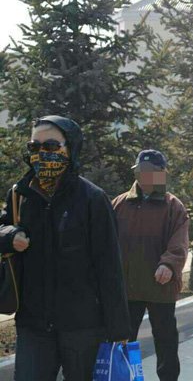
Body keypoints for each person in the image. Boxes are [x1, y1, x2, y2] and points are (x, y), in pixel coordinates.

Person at [0, 116, 130, 380]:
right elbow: (1, 228)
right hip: (33, 324)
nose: (41, 153)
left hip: (82, 327)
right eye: (34, 147)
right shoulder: (20, 195)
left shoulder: (92, 198)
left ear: (70, 148)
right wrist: (10, 235)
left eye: (50, 146)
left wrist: (118, 329)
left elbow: (109, 266)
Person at [112, 150, 190, 381]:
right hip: (127, 287)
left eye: (150, 171)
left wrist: (168, 264)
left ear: (162, 174)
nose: (144, 176)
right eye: (140, 171)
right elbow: (105, 242)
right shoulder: (119, 204)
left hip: (161, 286)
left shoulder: (173, 206)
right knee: (122, 341)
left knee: (166, 341)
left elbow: (179, 243)